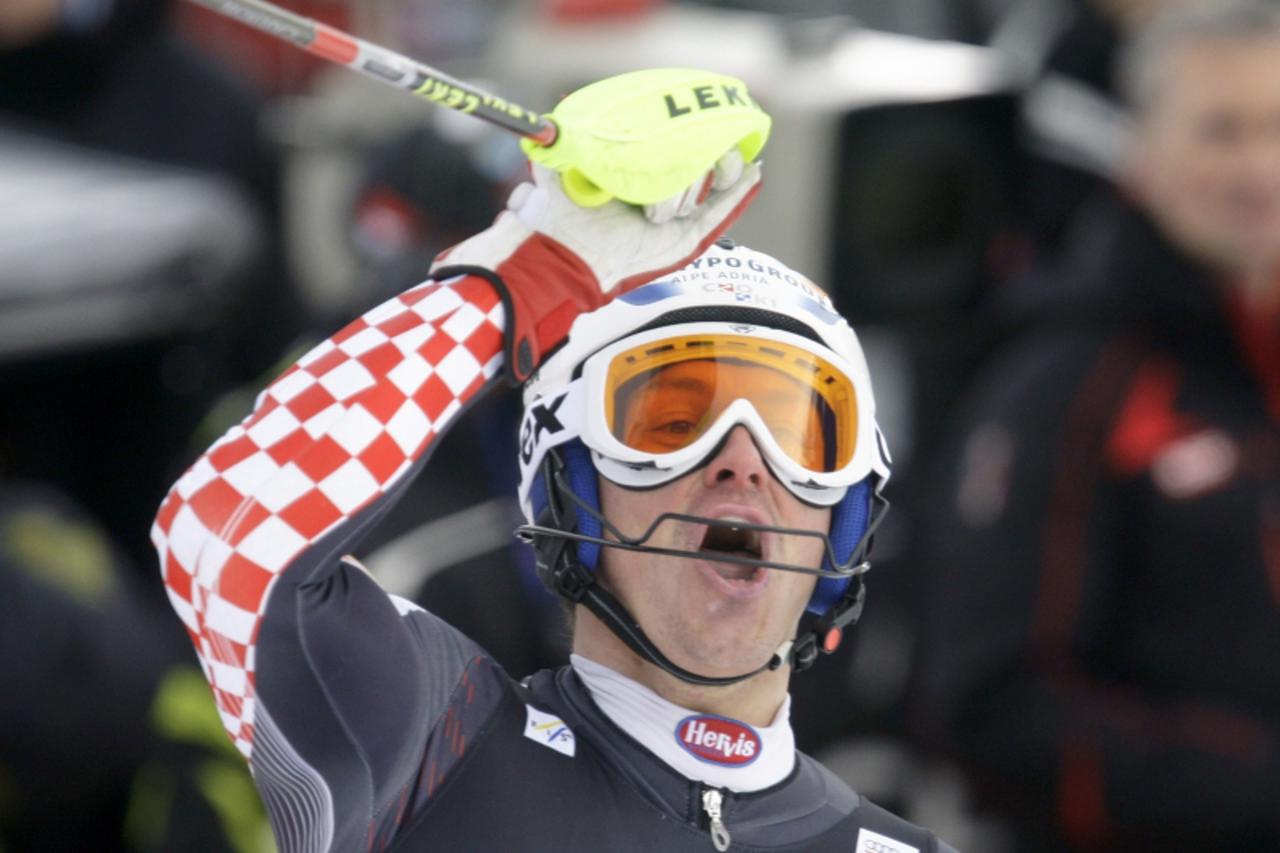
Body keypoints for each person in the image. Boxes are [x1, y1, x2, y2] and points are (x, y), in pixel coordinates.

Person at [152, 70, 954, 851]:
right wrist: (527, 279)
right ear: (567, 485)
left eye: (800, 437)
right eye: (675, 420)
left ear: (845, 517)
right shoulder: (429, 749)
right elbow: (228, 532)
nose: (742, 462)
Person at [915, 2, 1280, 850]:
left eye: (1277, 128)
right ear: (1142, 154)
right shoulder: (1066, 376)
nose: (1259, 167)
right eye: (1222, 132)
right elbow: (990, 702)